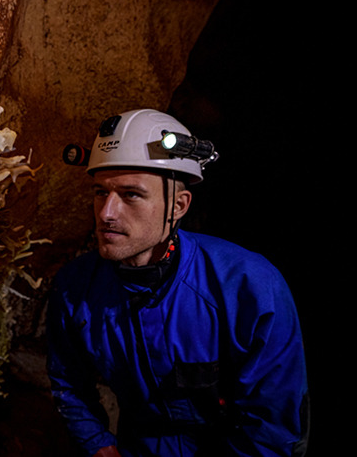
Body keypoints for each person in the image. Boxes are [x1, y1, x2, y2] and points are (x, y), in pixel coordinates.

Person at [47, 109, 309, 457]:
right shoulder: (75, 288)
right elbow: (68, 383)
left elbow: (272, 426)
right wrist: (99, 444)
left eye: (131, 195)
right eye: (100, 192)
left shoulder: (248, 288)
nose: (107, 212)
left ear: (178, 206)